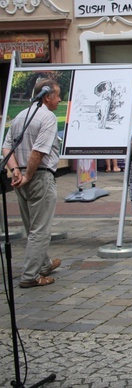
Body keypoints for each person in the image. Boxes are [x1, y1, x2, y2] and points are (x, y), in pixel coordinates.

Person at [2, 79, 63, 288]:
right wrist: (26, 174)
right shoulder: (48, 117)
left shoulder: (22, 115)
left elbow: (6, 147)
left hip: (22, 177)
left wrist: (15, 171)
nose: (60, 99)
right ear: (47, 96)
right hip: (38, 176)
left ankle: (44, 264)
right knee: (40, 229)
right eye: (57, 95)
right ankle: (30, 276)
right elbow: (38, 151)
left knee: (32, 226)